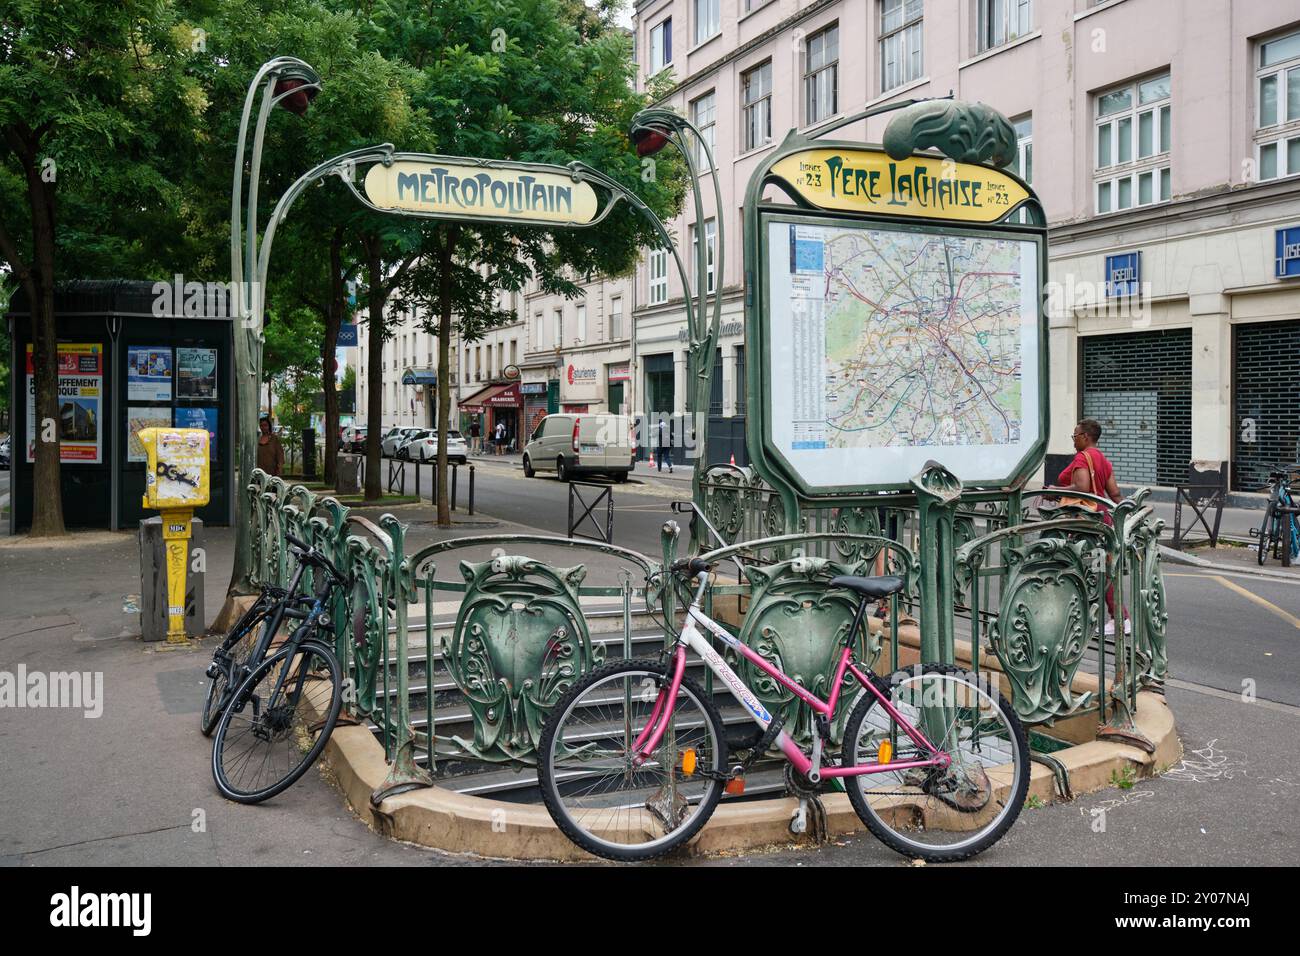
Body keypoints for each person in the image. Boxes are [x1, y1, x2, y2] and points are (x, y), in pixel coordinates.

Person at [1057, 418, 1127, 635]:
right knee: (1103, 568)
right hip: (1102, 520)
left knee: (1072, 564)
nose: (1073, 440)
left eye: (1075, 435)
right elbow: (1114, 493)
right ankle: (1118, 617)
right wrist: (1124, 517)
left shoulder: (1082, 457)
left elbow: (1082, 487)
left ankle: (1081, 617)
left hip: (1085, 522)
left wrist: (1055, 490)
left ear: (1085, 437)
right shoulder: (1102, 459)